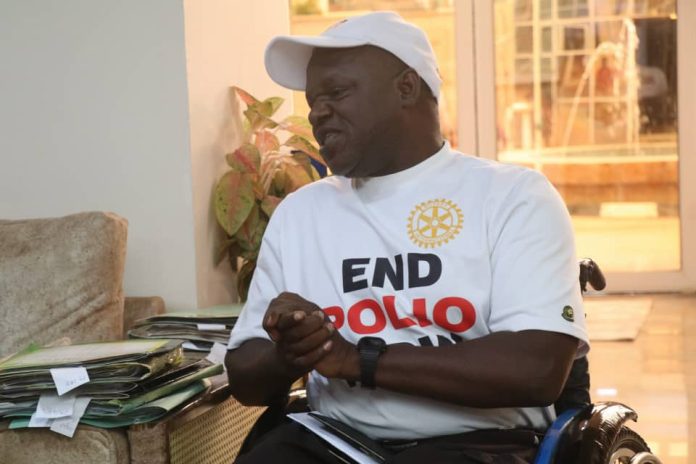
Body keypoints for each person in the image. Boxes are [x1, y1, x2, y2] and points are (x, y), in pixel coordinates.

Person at [226, 11, 588, 464]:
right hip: (334, 441)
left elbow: (536, 370)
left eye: (337, 93)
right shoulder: (300, 213)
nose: (317, 112)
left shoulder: (513, 197)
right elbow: (244, 378)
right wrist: (294, 351)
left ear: (406, 87)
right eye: (313, 100)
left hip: (474, 444)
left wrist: (357, 359)